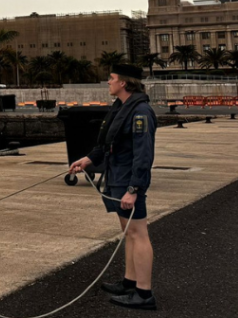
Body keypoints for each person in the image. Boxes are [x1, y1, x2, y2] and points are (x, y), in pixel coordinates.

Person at [70, 63, 157, 310]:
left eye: (111, 78)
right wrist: (88, 159)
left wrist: (134, 189)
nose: (108, 82)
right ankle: (130, 282)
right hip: (117, 176)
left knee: (138, 233)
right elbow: (109, 143)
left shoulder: (140, 112)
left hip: (128, 180)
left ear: (124, 83)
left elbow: (143, 155)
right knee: (128, 232)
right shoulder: (121, 107)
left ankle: (144, 294)